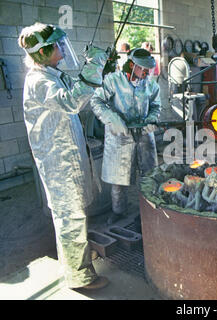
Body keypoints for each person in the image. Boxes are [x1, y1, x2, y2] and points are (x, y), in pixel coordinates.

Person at [18, 23, 109, 290]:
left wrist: (102, 66)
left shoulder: (53, 74)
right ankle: (79, 276)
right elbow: (71, 100)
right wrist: (94, 67)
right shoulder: (39, 81)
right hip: (57, 161)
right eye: (57, 46)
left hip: (67, 155)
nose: (62, 50)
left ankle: (75, 257)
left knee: (75, 211)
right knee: (70, 216)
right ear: (44, 51)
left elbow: (81, 86)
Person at [91, 48, 161, 225]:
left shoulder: (151, 84)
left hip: (144, 135)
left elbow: (155, 106)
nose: (146, 74)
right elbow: (96, 101)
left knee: (149, 175)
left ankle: (148, 211)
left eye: (149, 70)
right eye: (143, 70)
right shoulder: (113, 81)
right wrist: (113, 119)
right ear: (132, 65)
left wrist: (151, 119)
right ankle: (119, 211)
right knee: (118, 178)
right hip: (119, 136)